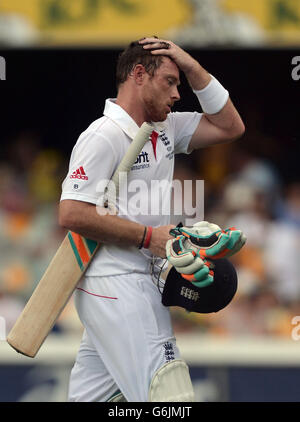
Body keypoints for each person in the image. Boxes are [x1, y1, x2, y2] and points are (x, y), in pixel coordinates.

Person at [59, 37, 245, 402]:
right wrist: (150, 238)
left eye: (180, 82)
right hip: (116, 283)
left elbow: (230, 126)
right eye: (171, 82)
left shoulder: (166, 128)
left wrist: (190, 66)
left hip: (134, 281)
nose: (178, 93)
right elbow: (71, 213)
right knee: (170, 396)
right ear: (139, 75)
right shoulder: (104, 134)